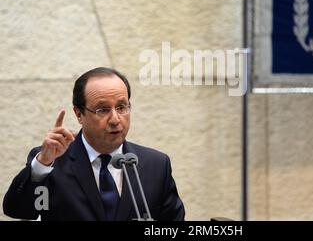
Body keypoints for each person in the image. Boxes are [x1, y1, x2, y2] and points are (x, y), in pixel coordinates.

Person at [3, 67, 185, 221]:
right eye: (102, 110)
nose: (115, 119)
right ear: (79, 114)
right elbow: (19, 210)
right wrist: (41, 166)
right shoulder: (52, 161)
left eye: (122, 107)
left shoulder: (157, 165)